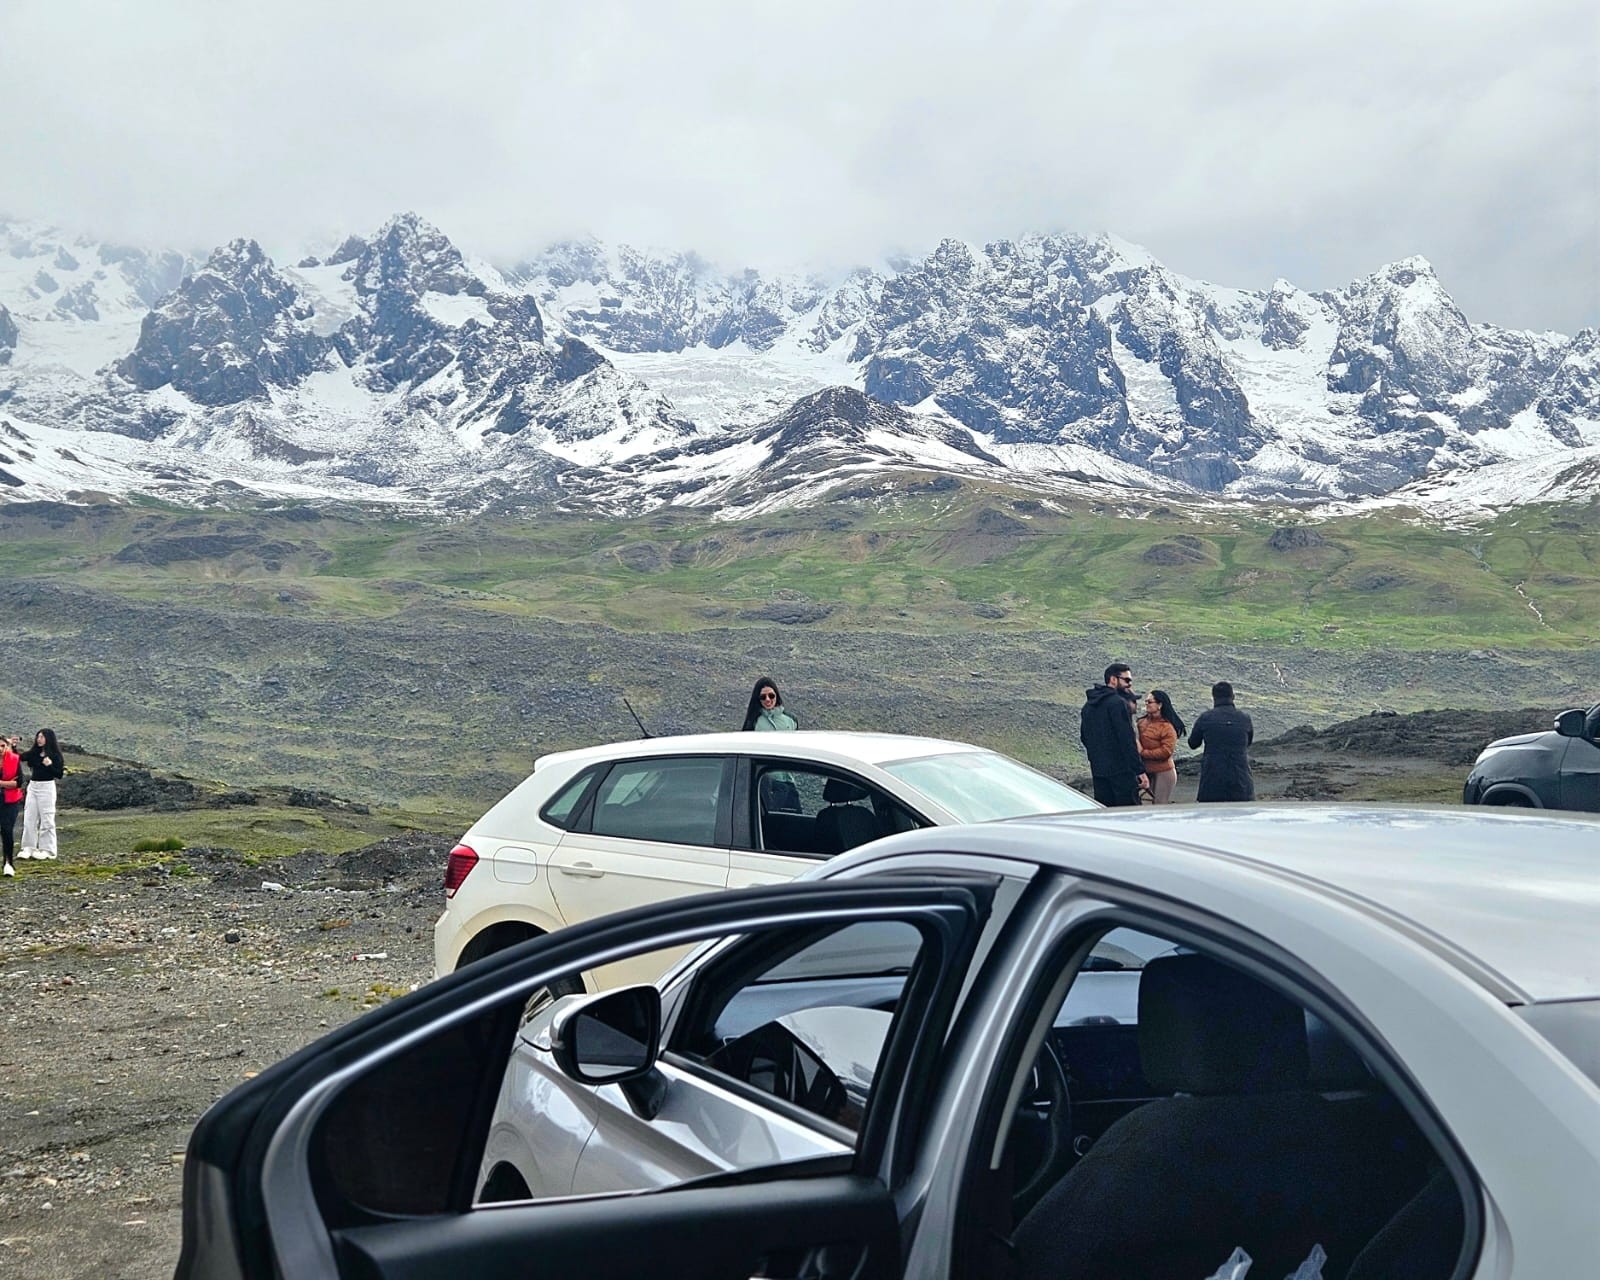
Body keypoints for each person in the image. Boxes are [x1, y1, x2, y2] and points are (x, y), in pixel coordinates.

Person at [1080, 663, 1147, 807]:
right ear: (1113, 679)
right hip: (1122, 772)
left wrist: (1098, 757)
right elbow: (1126, 739)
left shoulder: (1088, 706)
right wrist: (1139, 770)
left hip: (1099, 771)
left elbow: (1084, 737)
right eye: (1126, 680)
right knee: (1129, 814)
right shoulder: (1117, 703)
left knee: (1106, 813)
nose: (1129, 685)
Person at [1188, 682, 1254, 803]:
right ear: (1233, 696)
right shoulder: (1245, 718)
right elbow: (1248, 743)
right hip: (1241, 778)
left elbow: (1193, 743)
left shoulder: (1205, 718)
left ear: (1214, 697)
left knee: (1212, 812)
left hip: (1212, 778)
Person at [19, 727, 65, 861]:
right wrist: (12, 746)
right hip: (33, 786)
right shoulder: (34, 753)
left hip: (47, 787)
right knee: (29, 818)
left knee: (47, 819)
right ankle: (28, 847)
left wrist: (49, 765)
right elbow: (20, 757)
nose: (39, 739)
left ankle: (48, 850)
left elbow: (59, 774)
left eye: (42, 737)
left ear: (48, 739)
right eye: (38, 737)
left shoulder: (55, 755)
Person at [1138, 690, 1185, 804]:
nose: (1147, 704)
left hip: (1163, 771)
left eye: (1150, 702)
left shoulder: (1167, 727)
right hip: (1146, 771)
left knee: (1159, 804)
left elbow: (1166, 752)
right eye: (1146, 702)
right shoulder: (1141, 722)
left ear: (1159, 705)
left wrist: (1143, 753)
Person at [1, 735, 22, 877]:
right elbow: (12, 783)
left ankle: (8, 863)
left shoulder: (14, 760)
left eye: (3, 746)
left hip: (10, 801)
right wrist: (8, 783)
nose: (0, 749)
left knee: (7, 830)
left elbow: (19, 782)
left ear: (7, 746)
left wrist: (1, 783)